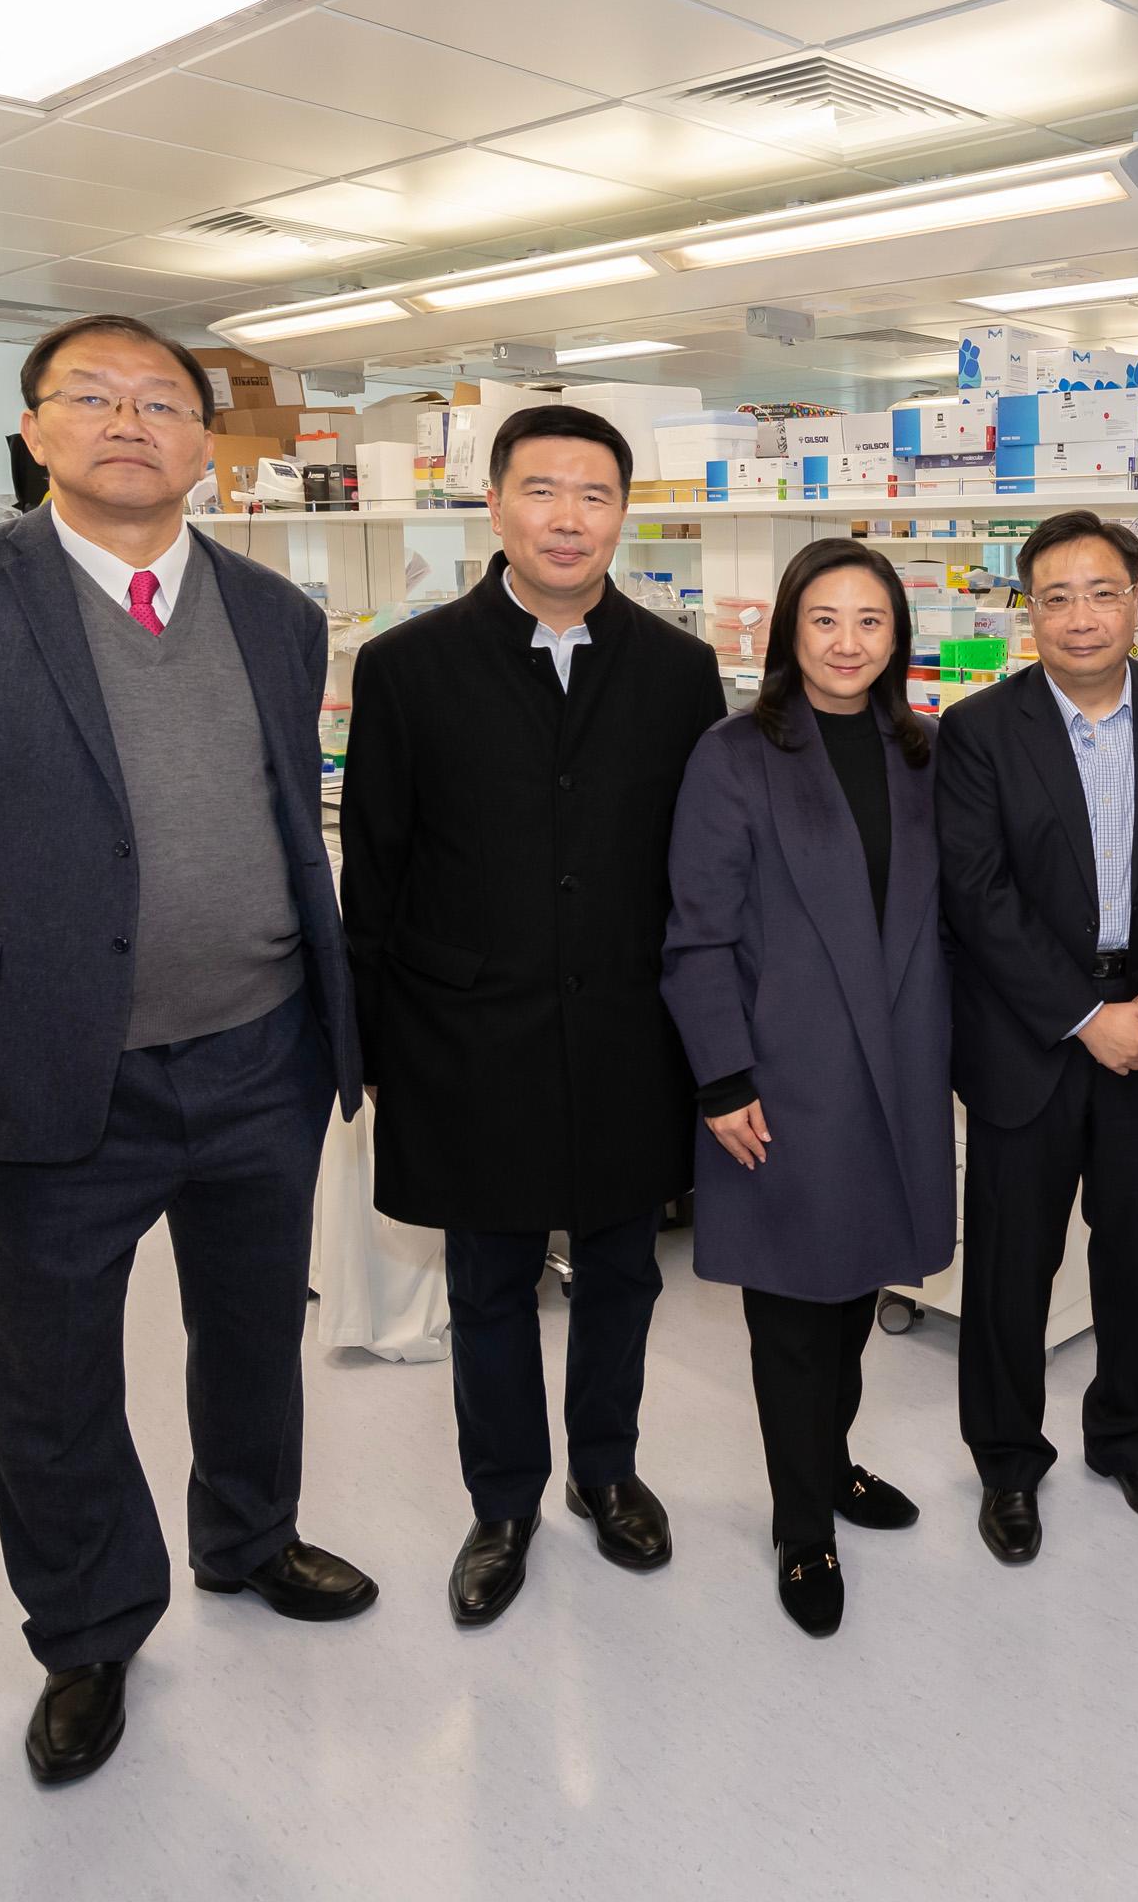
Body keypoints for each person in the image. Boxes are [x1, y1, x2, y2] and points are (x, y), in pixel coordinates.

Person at [0, 315, 373, 1786]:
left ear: (204, 444)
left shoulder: (273, 611)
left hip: (264, 1050)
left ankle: (251, 1541)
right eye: (95, 398)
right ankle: (88, 1630)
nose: (132, 422)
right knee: (53, 1370)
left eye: (164, 404)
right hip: (53, 1064)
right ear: (36, 432)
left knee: (254, 1328)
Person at [338, 403, 727, 1626]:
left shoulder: (677, 670)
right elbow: (378, 868)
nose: (570, 517)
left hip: (626, 1026)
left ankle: (605, 1472)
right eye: (543, 490)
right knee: (490, 1278)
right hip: (467, 1033)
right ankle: (502, 1500)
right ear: (493, 502)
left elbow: (698, 869)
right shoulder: (406, 666)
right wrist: (371, 1046)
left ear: (627, 511)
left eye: (596, 494)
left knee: (623, 1272)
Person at [663, 539, 954, 1636]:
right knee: (791, 1310)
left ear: (897, 637)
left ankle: (831, 1463)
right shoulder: (734, 754)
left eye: (870, 621)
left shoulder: (922, 751)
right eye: (824, 619)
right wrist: (722, 1073)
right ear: (790, 629)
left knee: (855, 1298)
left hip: (899, 1065)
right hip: (784, 1074)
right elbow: (696, 932)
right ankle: (801, 1524)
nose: (847, 642)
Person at [936, 512, 1138, 1564]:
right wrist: (1085, 1015)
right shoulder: (977, 729)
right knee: (1013, 1259)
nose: (1081, 616)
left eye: (1101, 592)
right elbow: (977, 891)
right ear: (1028, 611)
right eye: (1055, 596)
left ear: (1135, 601)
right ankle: (1007, 1459)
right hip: (1032, 1034)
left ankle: (1126, 1431)